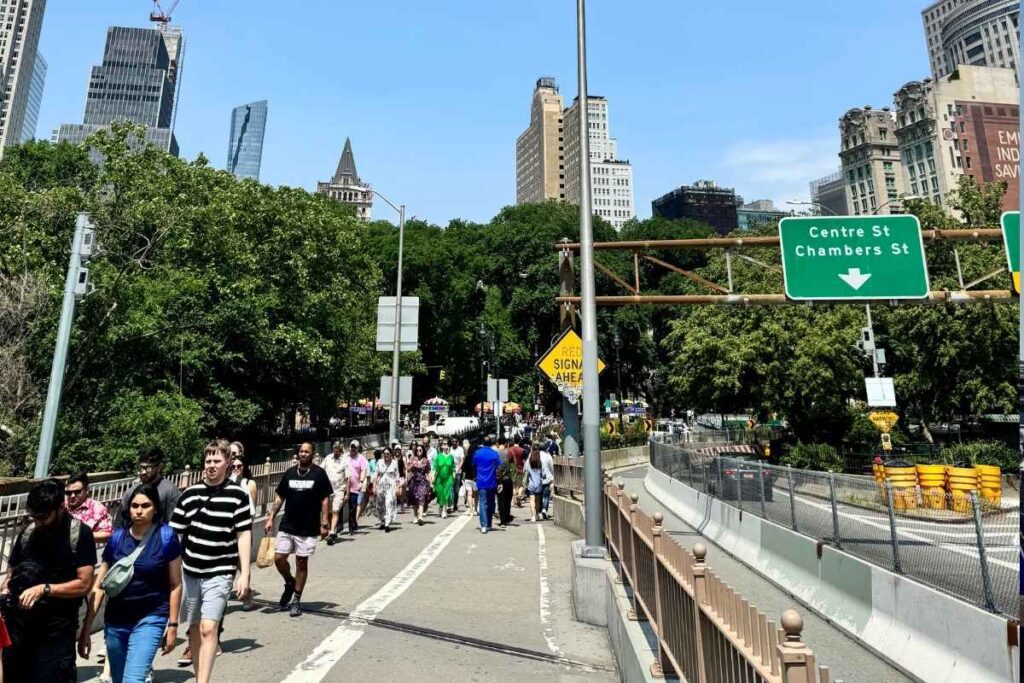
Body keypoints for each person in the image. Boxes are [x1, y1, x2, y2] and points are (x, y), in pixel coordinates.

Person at [79, 484, 183, 683]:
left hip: (151, 618)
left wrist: (173, 625)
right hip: (116, 620)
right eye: (135, 505)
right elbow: (99, 585)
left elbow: (175, 584)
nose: (139, 510)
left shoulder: (166, 537)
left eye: (145, 505)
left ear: (155, 508)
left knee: (133, 679)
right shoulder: (117, 539)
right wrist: (86, 628)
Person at [170, 441, 252, 683]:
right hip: (191, 571)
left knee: (208, 628)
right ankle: (199, 676)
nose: (211, 466)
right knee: (194, 628)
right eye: (208, 461)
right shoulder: (190, 495)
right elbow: (175, 535)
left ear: (228, 463)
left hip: (220, 571)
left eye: (217, 461)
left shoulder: (238, 495)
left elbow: (244, 534)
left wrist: (244, 573)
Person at [0, 479, 96, 682]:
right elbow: (10, 575)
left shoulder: (80, 534)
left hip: (57, 632)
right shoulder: (28, 533)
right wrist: (6, 590)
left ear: (61, 507)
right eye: (33, 516)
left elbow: (85, 583)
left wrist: (44, 589)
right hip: (20, 628)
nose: (37, 522)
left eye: (43, 517)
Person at [264, 442, 332, 617]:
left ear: (312, 454)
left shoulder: (319, 474)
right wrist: (271, 517)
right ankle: (289, 581)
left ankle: (296, 598)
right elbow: (280, 497)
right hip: (288, 524)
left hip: (308, 527)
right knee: (279, 559)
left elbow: (325, 499)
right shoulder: (289, 473)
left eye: (306, 452)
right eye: (301, 451)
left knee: (301, 562)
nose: (303, 454)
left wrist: (325, 523)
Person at [119, 448, 181, 526]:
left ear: (159, 467)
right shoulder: (131, 491)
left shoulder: (170, 491)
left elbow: (175, 523)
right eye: (141, 467)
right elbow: (120, 522)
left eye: (148, 468)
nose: (143, 472)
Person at [230, 450, 258, 611]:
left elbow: (252, 511)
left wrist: (249, 533)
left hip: (243, 530)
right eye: (234, 466)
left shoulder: (250, 484)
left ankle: (247, 596)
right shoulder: (228, 482)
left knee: (243, 565)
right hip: (228, 531)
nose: (236, 468)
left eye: (239, 466)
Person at [64, 471, 113, 545]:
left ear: (87, 490)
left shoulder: (98, 509)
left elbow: (108, 534)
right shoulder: (61, 504)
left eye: (77, 492)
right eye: (69, 493)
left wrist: (81, 535)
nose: (72, 496)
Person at [322, 442, 349, 545]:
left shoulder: (345, 461)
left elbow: (348, 478)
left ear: (340, 450)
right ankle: (330, 531)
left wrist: (347, 494)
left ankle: (333, 532)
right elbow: (321, 469)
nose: (336, 452)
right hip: (328, 490)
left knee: (335, 510)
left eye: (337, 450)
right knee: (328, 512)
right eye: (334, 450)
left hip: (339, 490)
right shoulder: (328, 458)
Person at [473, 437, 501, 533]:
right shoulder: (494, 454)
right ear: (490, 443)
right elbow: (499, 467)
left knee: (482, 503)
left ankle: (483, 525)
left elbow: (474, 464)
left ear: (483, 443)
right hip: (492, 482)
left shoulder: (477, 453)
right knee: (490, 503)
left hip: (481, 481)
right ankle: (489, 523)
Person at [341, 440, 368, 535]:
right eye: (352, 447)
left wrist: (361, 482)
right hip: (343, 485)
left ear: (357, 448)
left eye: (355, 447)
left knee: (352, 508)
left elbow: (363, 471)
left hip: (355, 487)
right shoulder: (345, 457)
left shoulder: (361, 458)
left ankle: (351, 528)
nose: (353, 449)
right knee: (340, 506)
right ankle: (339, 527)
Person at [374, 448, 400, 532]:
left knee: (388, 503)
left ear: (390, 454)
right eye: (384, 453)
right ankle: (382, 521)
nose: (386, 455)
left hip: (391, 486)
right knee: (381, 504)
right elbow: (375, 474)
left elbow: (397, 476)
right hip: (381, 486)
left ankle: (387, 523)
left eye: (388, 453)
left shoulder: (394, 463)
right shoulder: (379, 462)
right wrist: (374, 486)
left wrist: (398, 487)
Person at [523, 450, 553, 523]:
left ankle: (533, 516)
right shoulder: (540, 464)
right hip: (539, 485)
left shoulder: (529, 464)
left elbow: (525, 470)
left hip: (531, 485)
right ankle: (537, 514)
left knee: (532, 500)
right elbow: (543, 475)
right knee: (538, 501)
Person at [406, 443, 431, 525]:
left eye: (420, 450)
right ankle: (415, 516)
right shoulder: (412, 459)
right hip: (414, 481)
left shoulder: (425, 460)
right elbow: (408, 469)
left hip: (422, 481)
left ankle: (420, 517)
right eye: (417, 450)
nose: (418, 451)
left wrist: (430, 481)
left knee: (421, 498)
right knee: (415, 500)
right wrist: (412, 464)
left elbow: (428, 471)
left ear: (423, 451)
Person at [432, 442, 455, 518]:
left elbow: (453, 467)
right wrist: (433, 476)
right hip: (439, 479)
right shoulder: (438, 456)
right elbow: (435, 467)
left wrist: (454, 475)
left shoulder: (451, 457)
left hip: (448, 478)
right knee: (440, 494)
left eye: (447, 444)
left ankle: (444, 511)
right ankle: (440, 506)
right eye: (444, 444)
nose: (446, 445)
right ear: (441, 446)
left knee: (446, 493)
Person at [496, 447, 516, 527]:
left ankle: (503, 521)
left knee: (500, 500)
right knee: (508, 499)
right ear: (506, 444)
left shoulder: (496, 453)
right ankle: (507, 516)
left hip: (498, 479)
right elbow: (513, 464)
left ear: (498, 443)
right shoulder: (509, 452)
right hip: (508, 479)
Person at [538, 442, 555, 520]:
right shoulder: (548, 456)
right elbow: (552, 467)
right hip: (546, 478)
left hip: (537, 478)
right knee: (546, 495)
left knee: (539, 495)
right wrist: (552, 475)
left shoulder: (535, 455)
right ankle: (544, 509)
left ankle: (539, 510)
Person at [507, 440, 526, 507]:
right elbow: (524, 461)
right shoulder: (522, 450)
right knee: (521, 485)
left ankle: (514, 501)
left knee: (514, 486)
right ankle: (519, 495)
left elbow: (508, 461)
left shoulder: (509, 450)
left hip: (512, 470)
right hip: (520, 470)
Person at [461, 441, 477, 515]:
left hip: (467, 478)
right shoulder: (476, 458)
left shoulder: (467, 458)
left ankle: (471, 509)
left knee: (469, 494)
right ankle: (476, 509)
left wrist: (463, 478)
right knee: (475, 494)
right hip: (475, 478)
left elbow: (463, 469)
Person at [450, 439, 465, 513]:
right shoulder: (450, 449)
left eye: (455, 441)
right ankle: (451, 504)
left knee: (456, 490)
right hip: (450, 471)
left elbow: (462, 460)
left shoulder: (460, 449)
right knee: (450, 488)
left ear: (458, 442)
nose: (454, 443)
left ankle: (455, 503)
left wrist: (458, 468)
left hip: (458, 472)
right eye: (453, 441)